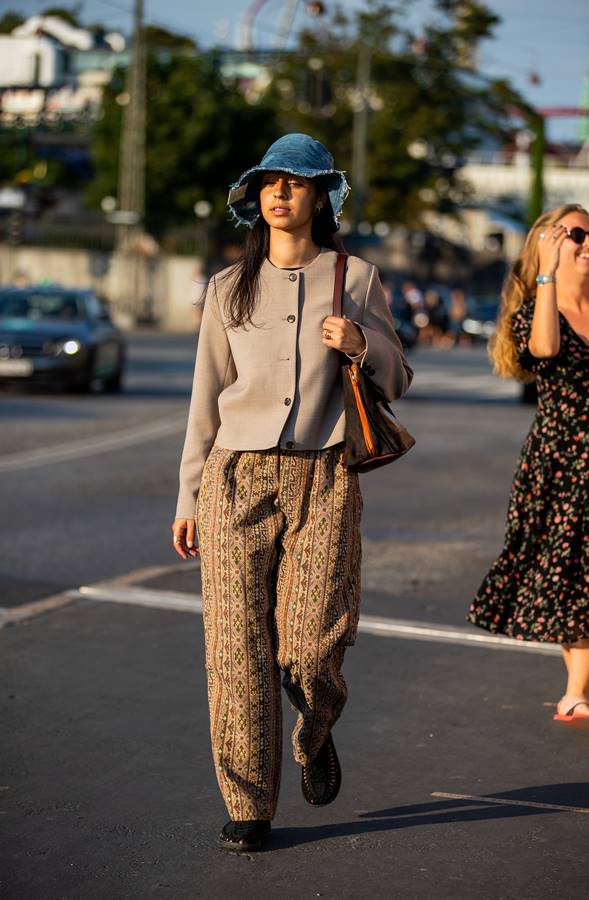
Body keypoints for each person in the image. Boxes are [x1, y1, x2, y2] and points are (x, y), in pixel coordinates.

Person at [171, 133, 413, 851]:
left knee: (309, 646)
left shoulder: (356, 278)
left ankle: (316, 729)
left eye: (296, 182)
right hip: (234, 479)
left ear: (320, 198)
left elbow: (399, 376)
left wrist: (362, 344)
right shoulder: (225, 288)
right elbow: (205, 399)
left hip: (324, 475)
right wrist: (187, 496)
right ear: (256, 199)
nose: (281, 193)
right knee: (235, 650)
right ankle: (249, 806)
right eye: (270, 182)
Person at [467, 204, 589, 731]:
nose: (588, 244)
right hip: (561, 462)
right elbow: (544, 350)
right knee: (574, 573)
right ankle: (575, 693)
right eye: (575, 235)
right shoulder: (535, 312)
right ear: (548, 243)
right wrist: (546, 272)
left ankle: (575, 693)